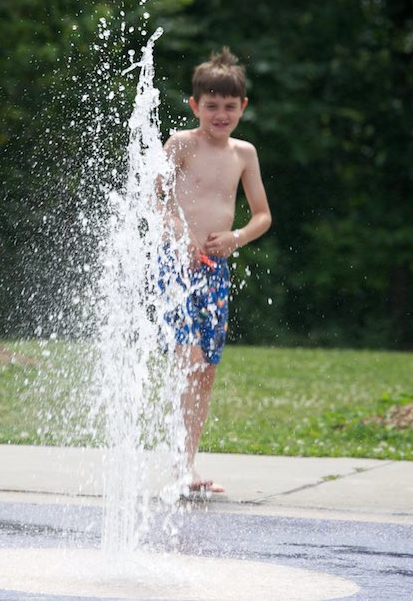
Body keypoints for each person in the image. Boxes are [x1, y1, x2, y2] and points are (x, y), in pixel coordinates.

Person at [159, 47, 272, 494]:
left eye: (229, 106)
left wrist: (235, 238)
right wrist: (179, 233)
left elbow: (262, 216)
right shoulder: (181, 144)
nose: (220, 115)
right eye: (211, 106)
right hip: (175, 264)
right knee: (186, 361)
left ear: (243, 107)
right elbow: (154, 199)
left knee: (206, 369)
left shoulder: (244, 154)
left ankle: (187, 465)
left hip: (215, 269)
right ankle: (176, 466)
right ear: (194, 105)